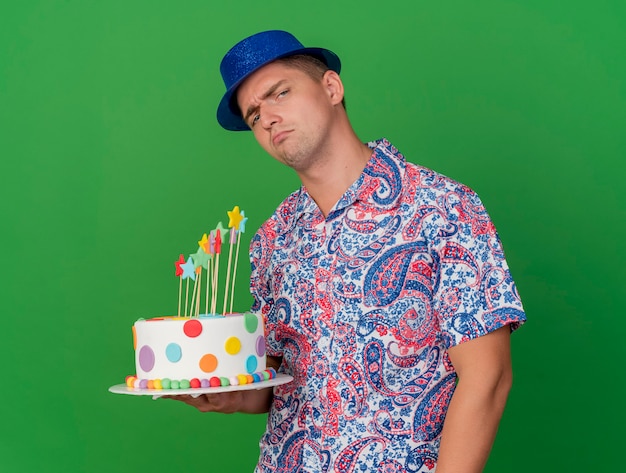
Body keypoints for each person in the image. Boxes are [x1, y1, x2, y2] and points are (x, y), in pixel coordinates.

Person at [171, 30, 526, 472]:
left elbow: (487, 379)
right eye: (254, 114)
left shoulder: (442, 208)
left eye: (279, 93)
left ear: (332, 88)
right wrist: (226, 395)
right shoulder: (272, 239)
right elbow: (278, 380)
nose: (267, 118)